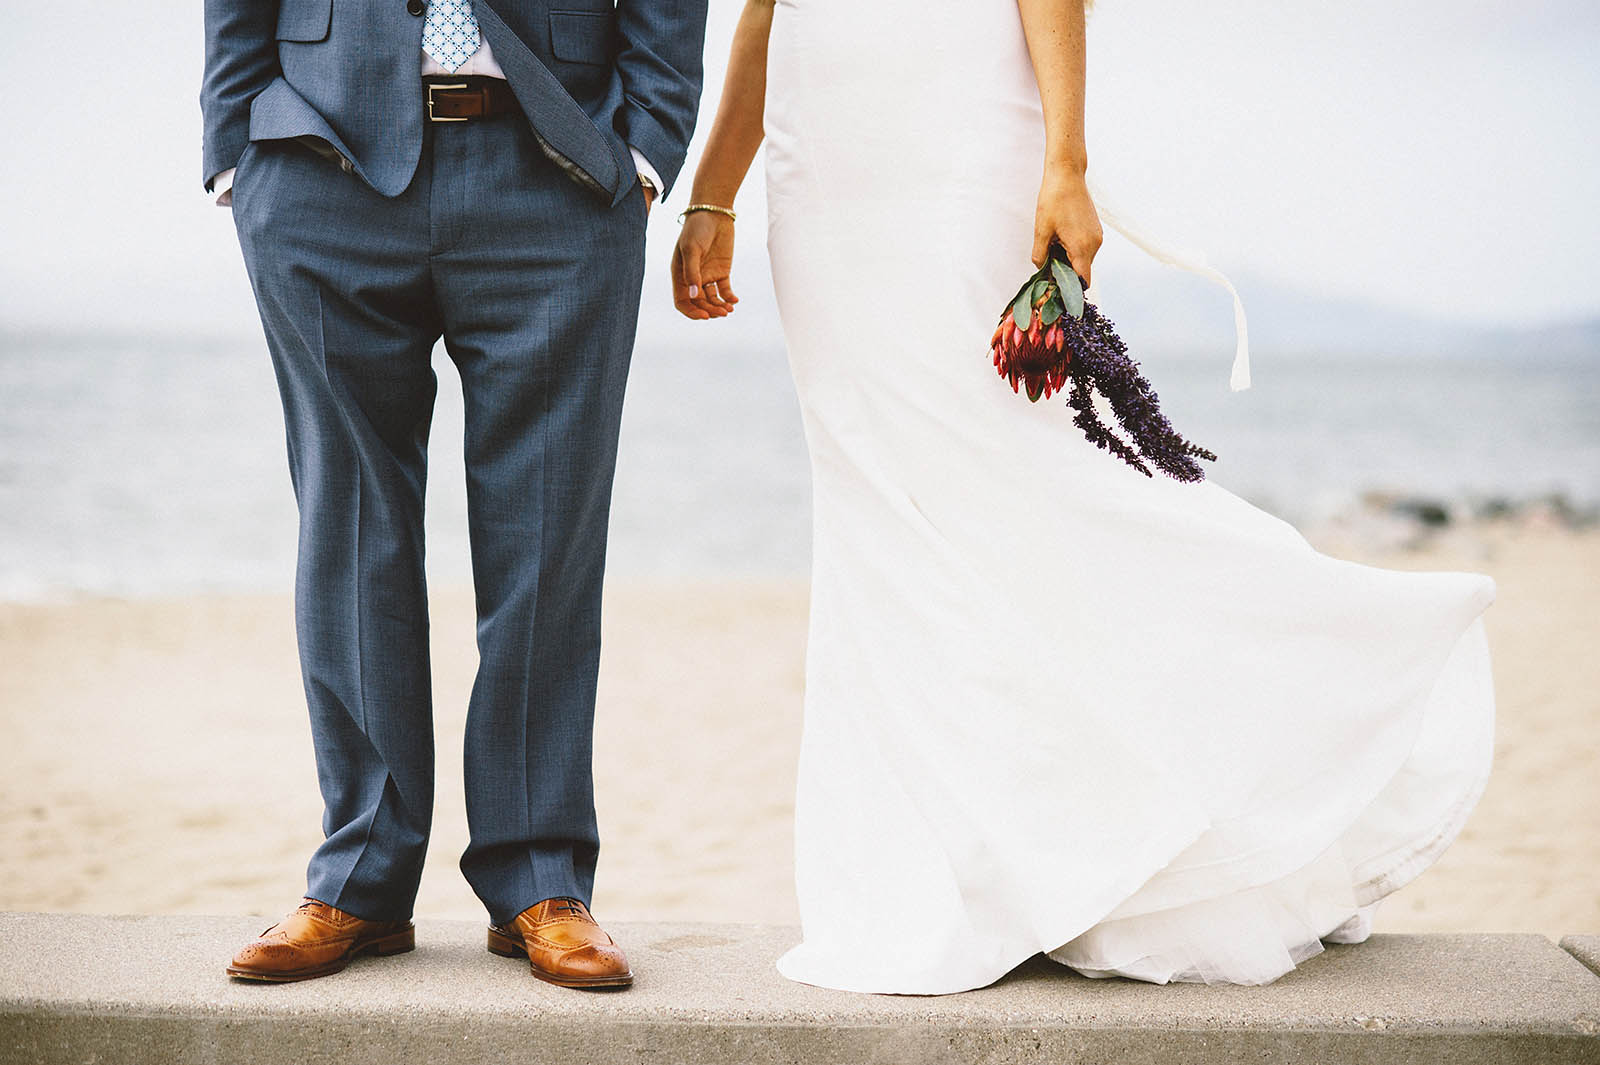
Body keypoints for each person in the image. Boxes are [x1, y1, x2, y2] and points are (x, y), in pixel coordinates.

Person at [673, 0, 1496, 993]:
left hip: (957, 137)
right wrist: (713, 195)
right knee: (876, 507)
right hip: (822, 172)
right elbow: (763, 11)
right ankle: (960, 871)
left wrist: (1066, 162)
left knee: (1015, 477)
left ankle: (1326, 658)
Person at [202, 0, 707, 987]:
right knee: (350, 532)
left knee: (547, 539)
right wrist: (234, 150)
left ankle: (540, 876)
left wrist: (646, 148)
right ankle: (360, 876)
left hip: (558, 165)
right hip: (317, 165)